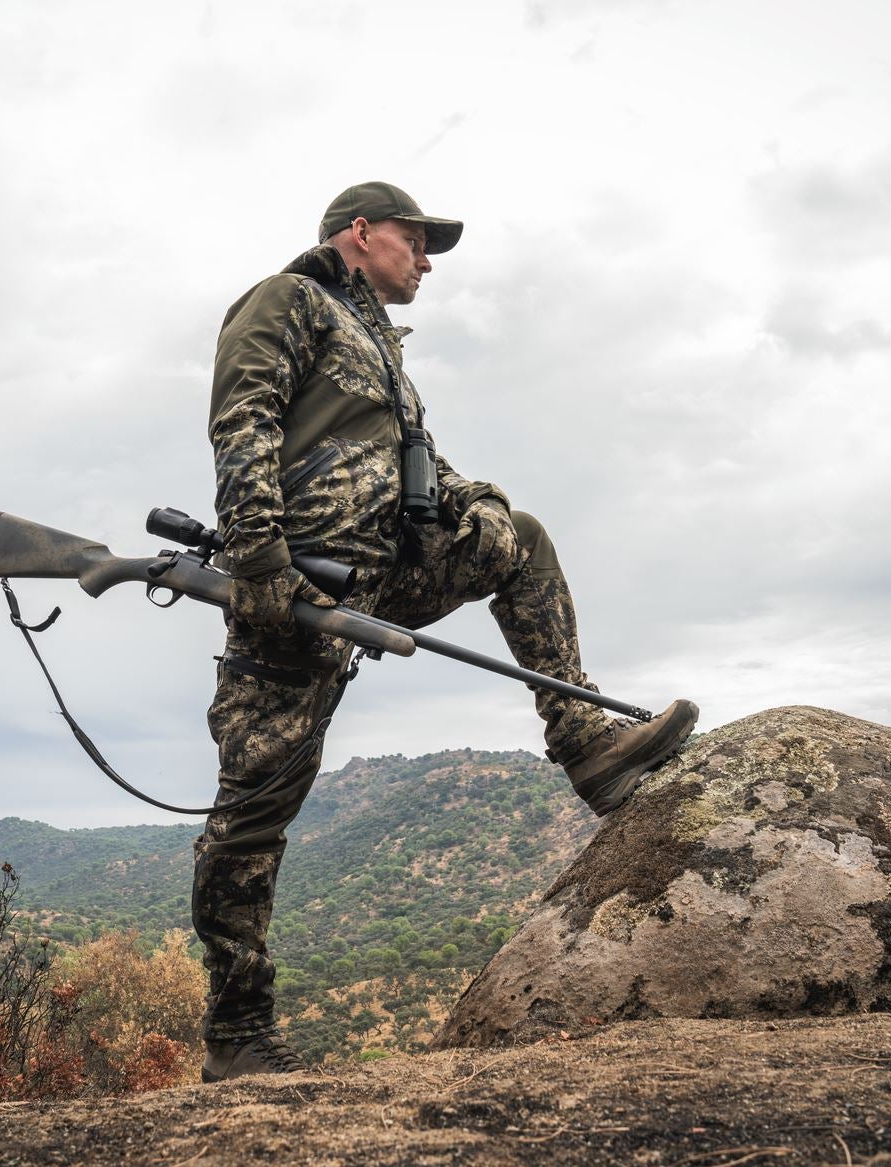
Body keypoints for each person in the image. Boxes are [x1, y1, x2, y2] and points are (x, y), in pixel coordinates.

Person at [195, 181, 698, 1081]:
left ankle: (585, 741)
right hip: (296, 588)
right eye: (416, 240)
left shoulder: (382, 350)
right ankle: (237, 1032)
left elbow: (419, 466)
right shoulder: (289, 301)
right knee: (252, 818)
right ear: (361, 232)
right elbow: (244, 418)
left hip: (381, 575)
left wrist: (480, 502)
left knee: (521, 538)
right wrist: (260, 560)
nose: (426, 261)